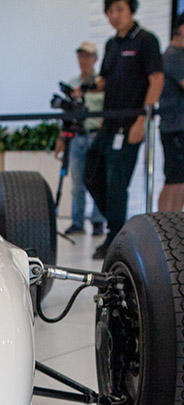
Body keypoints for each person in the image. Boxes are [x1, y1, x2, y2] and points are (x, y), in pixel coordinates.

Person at [84, 0, 163, 260]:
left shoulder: (146, 40)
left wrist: (142, 120)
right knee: (91, 173)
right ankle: (119, 225)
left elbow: (156, 80)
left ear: (131, 10)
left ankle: (115, 236)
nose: (114, 16)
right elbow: (105, 79)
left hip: (131, 124)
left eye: (119, 9)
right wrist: (85, 88)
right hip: (108, 122)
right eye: (110, 11)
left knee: (117, 182)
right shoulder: (111, 44)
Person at [54, 42, 106, 236]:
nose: (84, 60)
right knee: (77, 183)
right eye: (81, 56)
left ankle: (98, 221)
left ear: (95, 58)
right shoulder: (73, 83)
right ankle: (77, 222)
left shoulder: (101, 83)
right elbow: (67, 114)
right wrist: (61, 138)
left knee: (98, 179)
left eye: (88, 56)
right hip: (77, 136)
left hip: (96, 135)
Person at [158, 13, 184, 212]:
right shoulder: (173, 56)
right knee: (175, 181)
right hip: (175, 128)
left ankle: (171, 227)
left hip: (177, 127)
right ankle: (165, 227)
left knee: (179, 181)